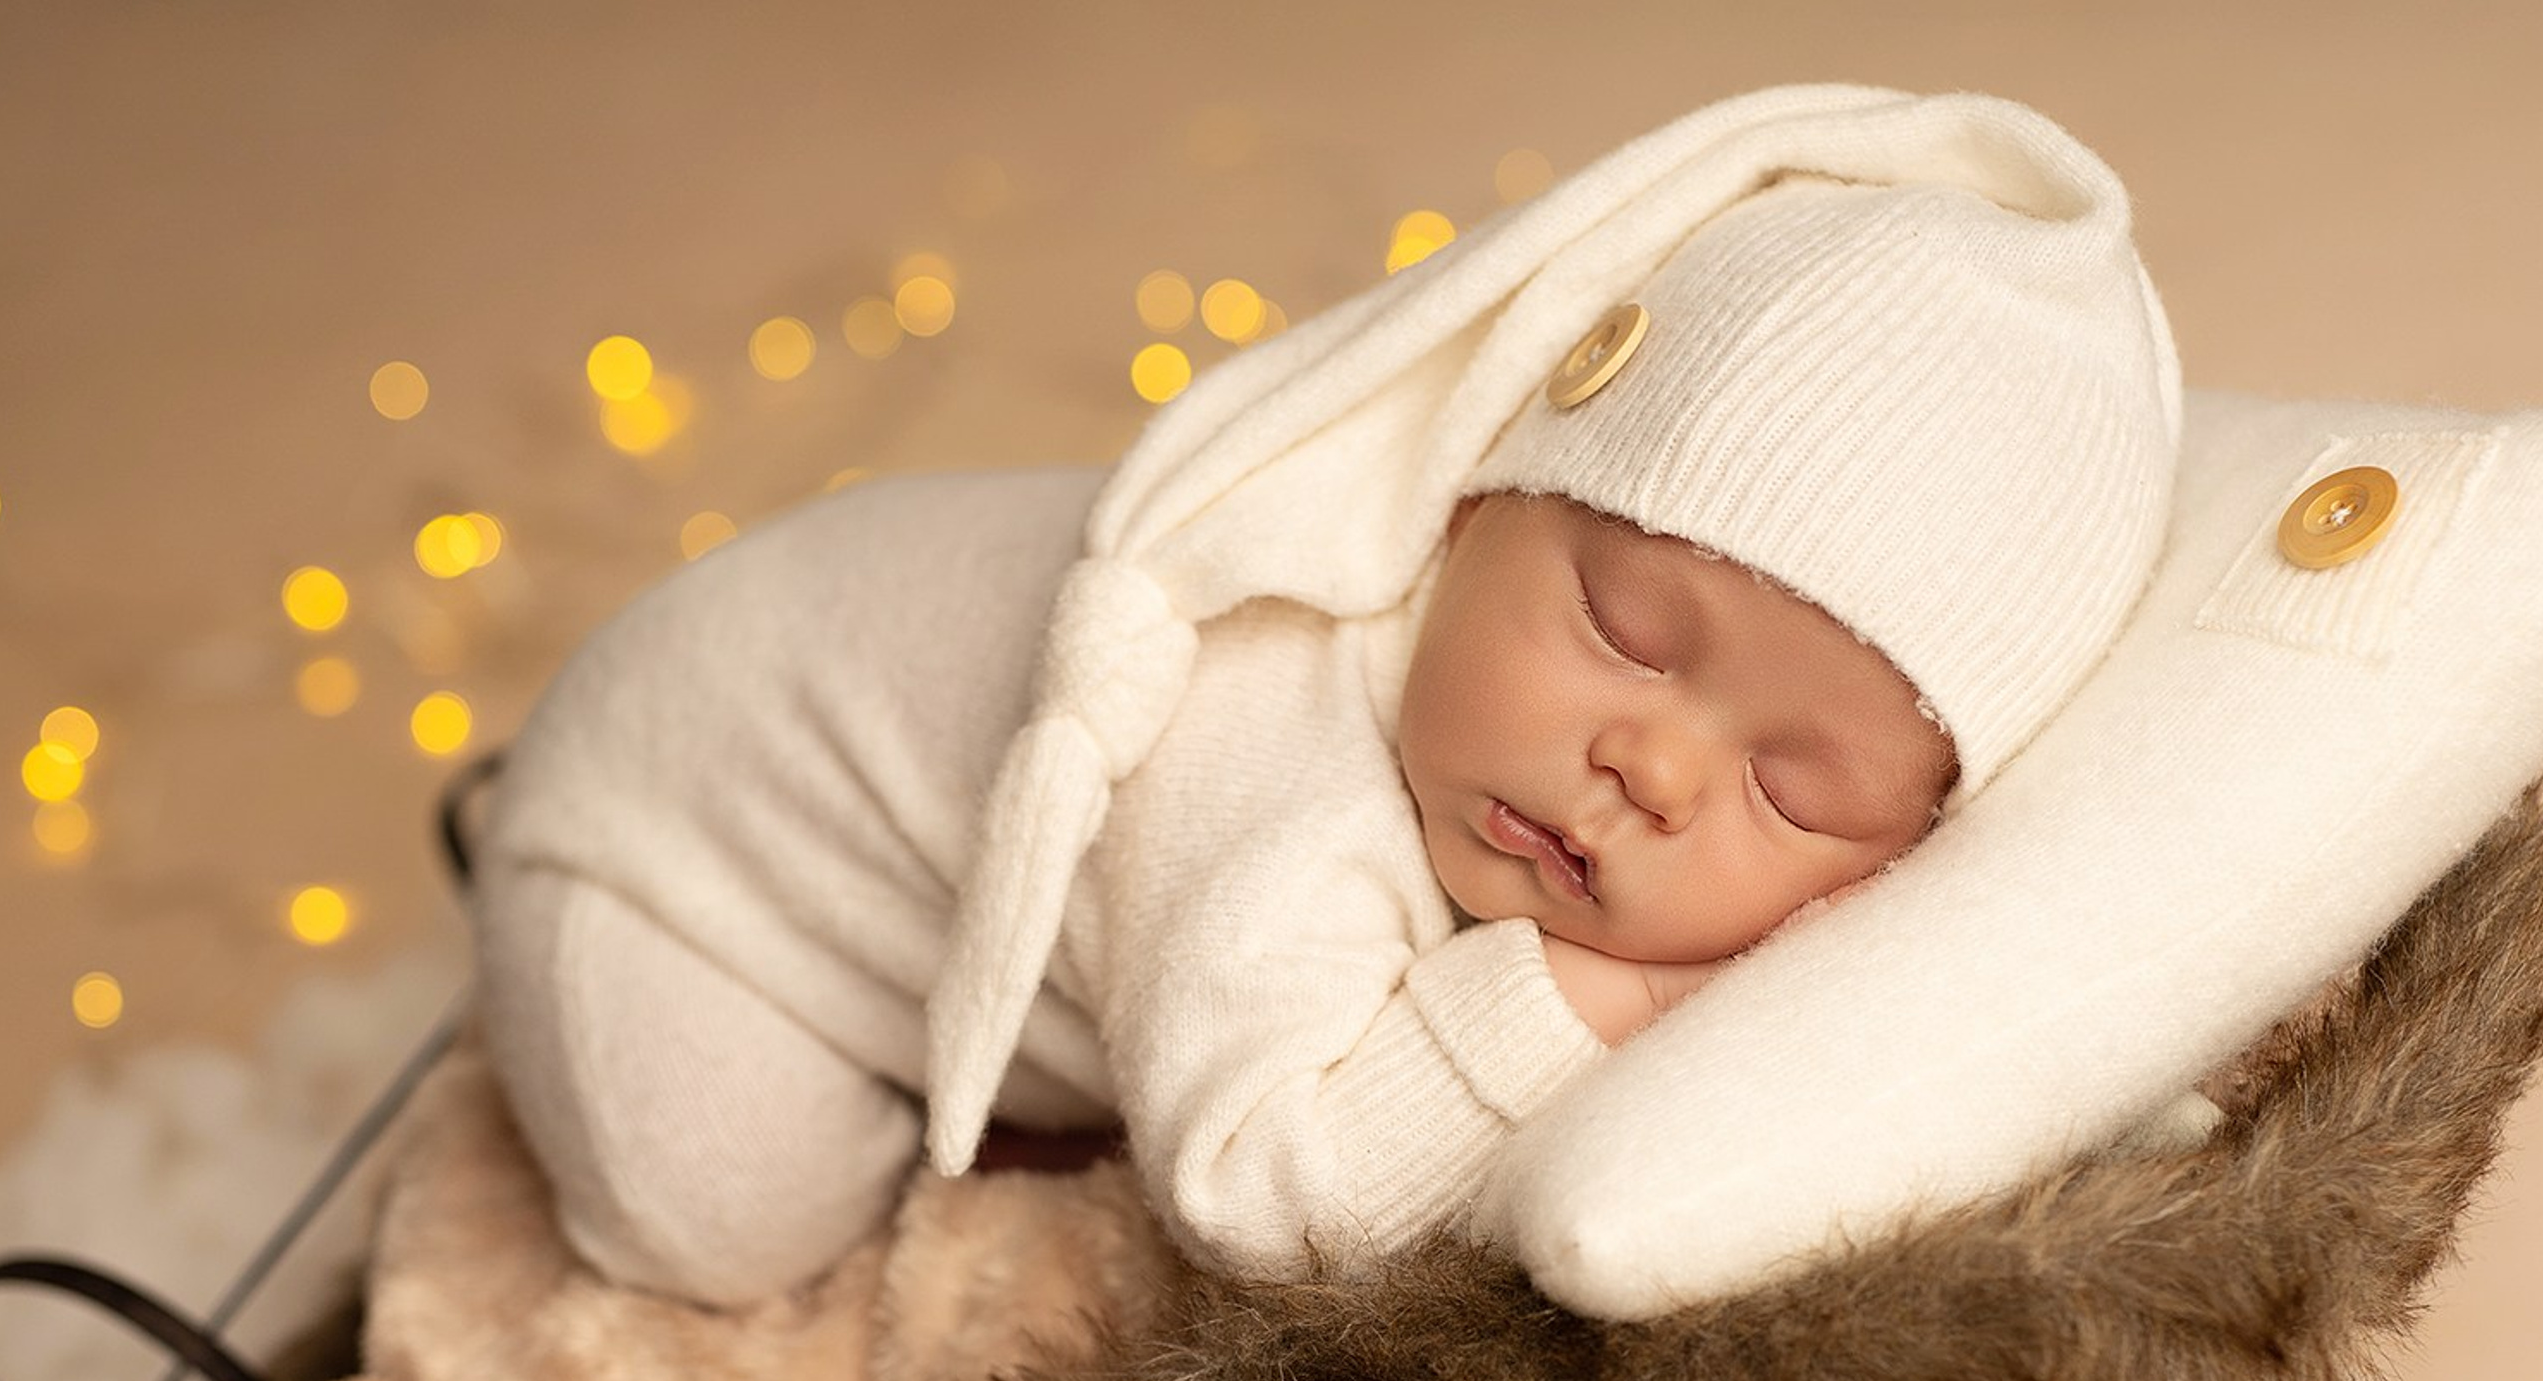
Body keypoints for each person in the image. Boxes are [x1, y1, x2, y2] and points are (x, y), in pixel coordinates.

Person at [468, 83, 2181, 1310]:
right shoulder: (1274, 770)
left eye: (1793, 798)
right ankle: (531, 907)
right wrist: (1607, 1012)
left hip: (853, 765)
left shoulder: (1499, 750)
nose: (1649, 766)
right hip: (671, 859)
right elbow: (1257, 1193)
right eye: (1623, 626)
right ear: (1466, 504)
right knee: (726, 1225)